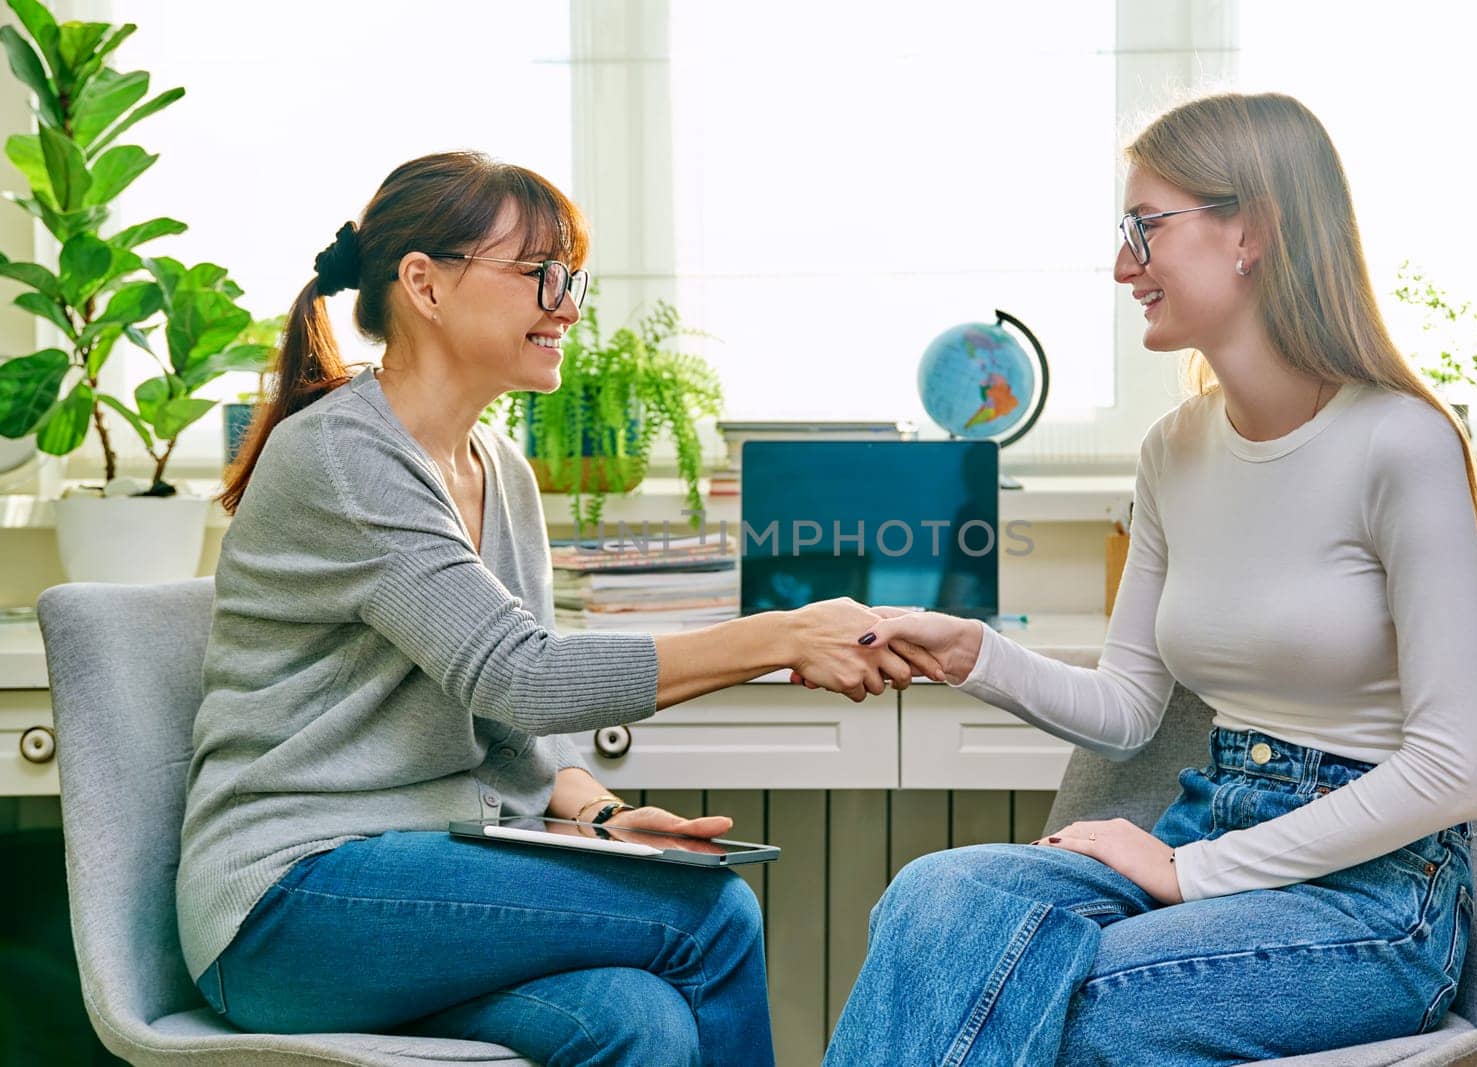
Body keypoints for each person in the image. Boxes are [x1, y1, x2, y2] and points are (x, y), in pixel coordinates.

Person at [180, 151, 932, 1067]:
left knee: (638, 1018)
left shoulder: (500, 469)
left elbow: (505, 721)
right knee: (710, 910)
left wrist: (599, 813)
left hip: (420, 884)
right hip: (290, 901)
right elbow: (525, 676)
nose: (568, 305)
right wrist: (780, 635)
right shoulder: (344, 457)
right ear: (425, 283)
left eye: (570, 277)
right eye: (540, 275)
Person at [821, 92, 1477, 1065]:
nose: (1122, 265)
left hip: (1375, 897)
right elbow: (1126, 706)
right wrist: (973, 652)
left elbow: (1450, 770)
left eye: (1144, 228)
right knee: (930, 899)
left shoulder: (1401, 443)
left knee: (1073, 1011)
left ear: (1251, 230)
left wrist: (1188, 870)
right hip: (1209, 814)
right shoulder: (1172, 451)